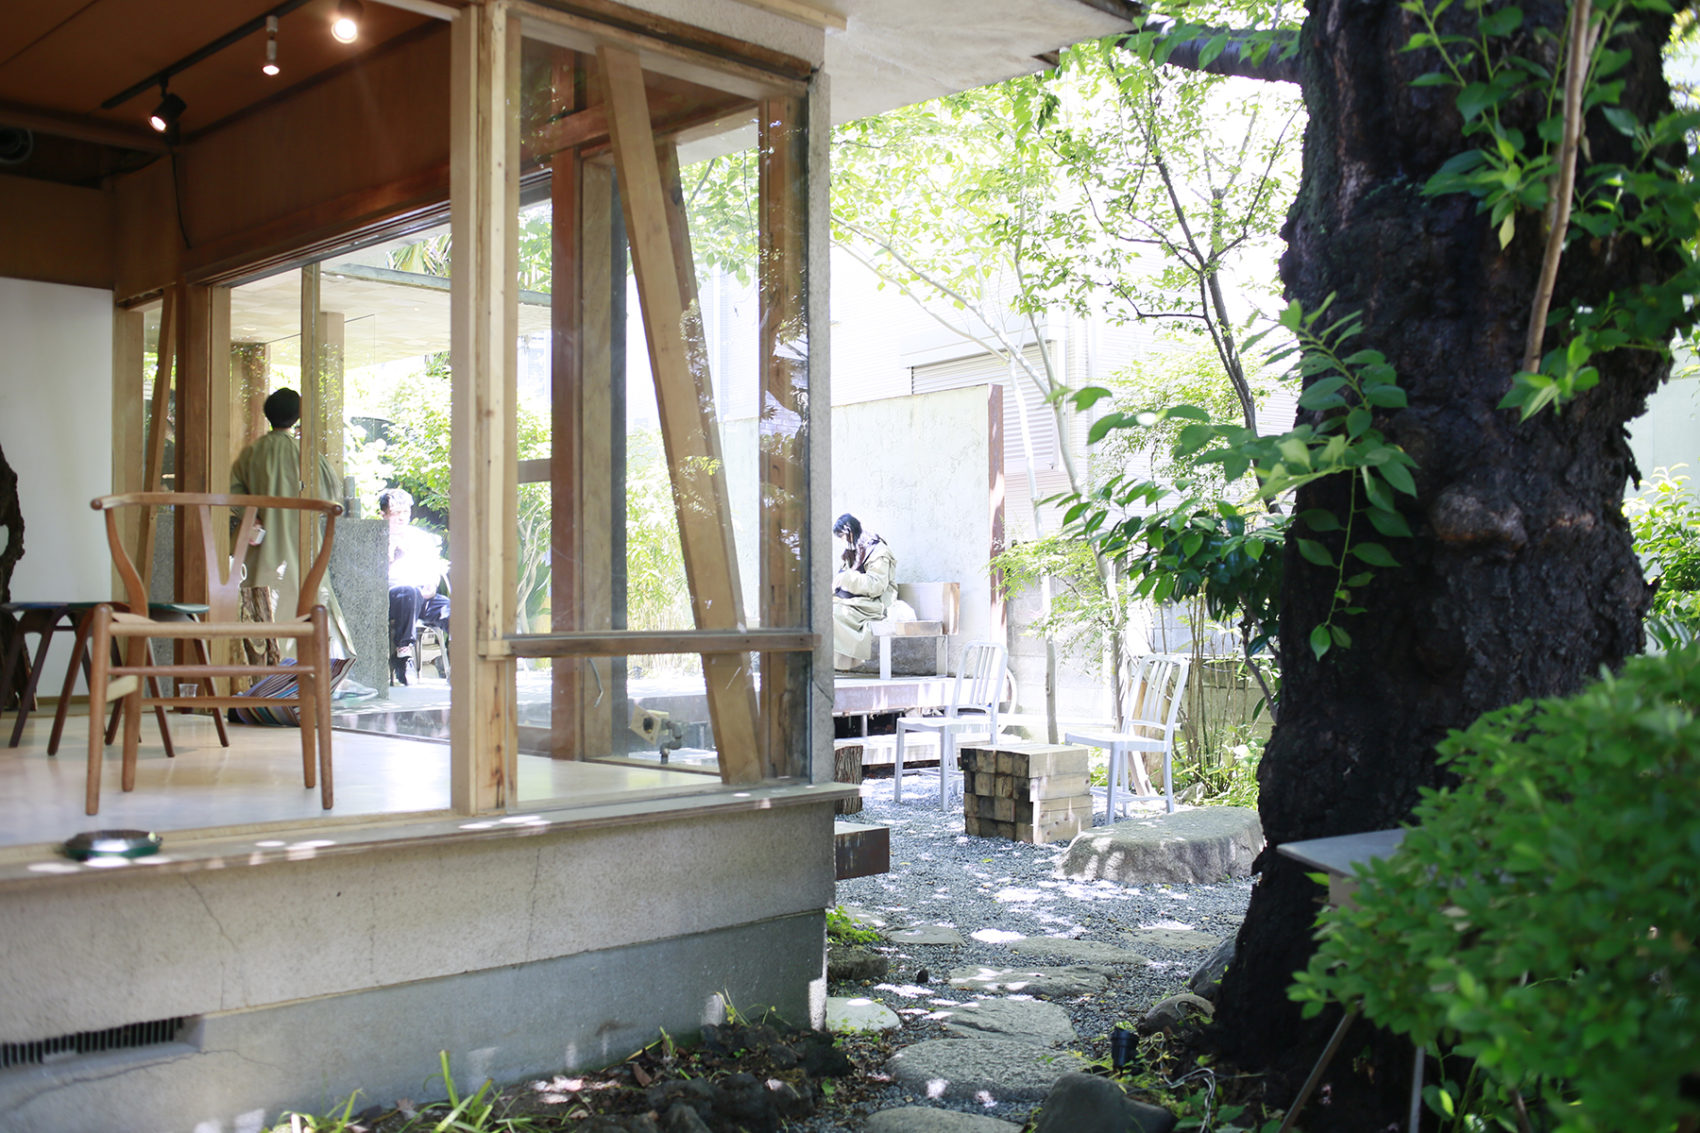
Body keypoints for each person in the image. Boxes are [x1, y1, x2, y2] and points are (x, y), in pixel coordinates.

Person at [229, 388, 355, 680]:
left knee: (263, 609)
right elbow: (331, 495)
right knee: (306, 605)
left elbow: (233, 493)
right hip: (302, 546)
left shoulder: (253, 453)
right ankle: (303, 676)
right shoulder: (307, 454)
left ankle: (262, 677)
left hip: (261, 547)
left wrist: (254, 514)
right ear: (297, 417)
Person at [379, 488, 449, 685]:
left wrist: (432, 585)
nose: (402, 518)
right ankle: (403, 654)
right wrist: (390, 558)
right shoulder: (377, 537)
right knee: (408, 592)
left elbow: (434, 566)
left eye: (406, 512)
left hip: (423, 595)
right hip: (394, 596)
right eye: (396, 513)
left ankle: (463, 659)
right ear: (384, 514)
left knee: (452, 610)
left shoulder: (420, 537)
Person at [831, 513, 896, 671]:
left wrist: (847, 578)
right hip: (854, 601)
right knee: (818, 612)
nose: (842, 541)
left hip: (875, 603)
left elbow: (876, 585)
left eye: (842, 536)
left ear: (850, 533)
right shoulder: (853, 551)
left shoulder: (878, 551)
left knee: (834, 614)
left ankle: (838, 663)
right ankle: (828, 663)